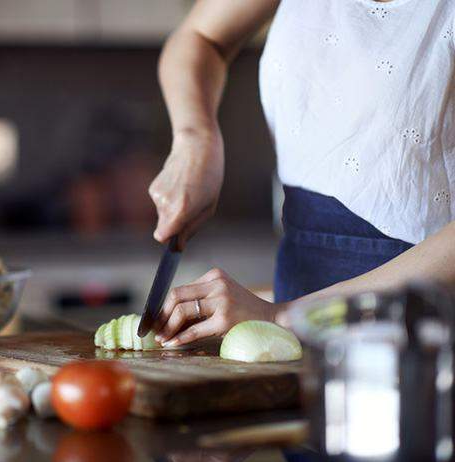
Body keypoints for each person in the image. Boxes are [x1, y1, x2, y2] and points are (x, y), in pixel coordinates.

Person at [150, 0, 455, 348]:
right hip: (294, 309)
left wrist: (283, 316)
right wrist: (196, 139)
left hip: (419, 336)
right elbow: (200, 37)